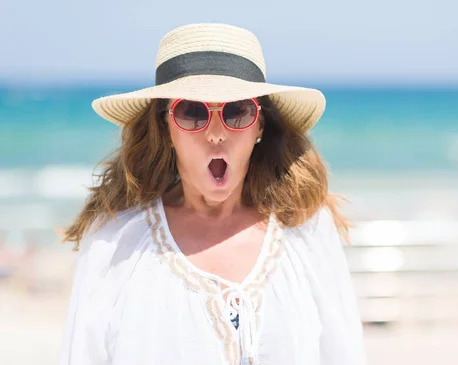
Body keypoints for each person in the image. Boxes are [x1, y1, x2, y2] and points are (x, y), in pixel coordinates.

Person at [58, 23, 367, 365]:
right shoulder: (114, 240)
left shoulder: (307, 229)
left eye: (237, 111)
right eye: (192, 112)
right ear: (165, 127)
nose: (217, 134)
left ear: (260, 125)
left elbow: (345, 353)